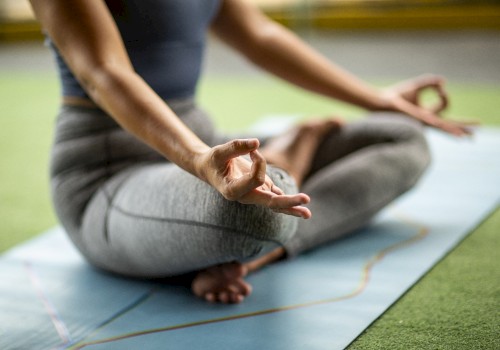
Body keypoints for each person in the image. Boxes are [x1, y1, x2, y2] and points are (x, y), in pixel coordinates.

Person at [29, 0, 472, 304]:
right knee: (256, 212)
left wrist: (380, 100)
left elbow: (260, 35)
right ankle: (282, 169)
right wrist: (202, 161)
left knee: (400, 138)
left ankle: (261, 250)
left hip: (202, 146)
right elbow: (104, 73)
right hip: (110, 174)